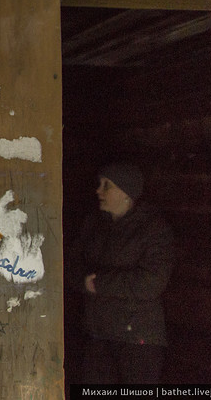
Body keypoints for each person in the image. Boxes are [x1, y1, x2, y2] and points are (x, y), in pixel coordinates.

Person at [73, 163, 173, 384]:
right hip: (98, 333)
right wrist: (82, 281)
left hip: (138, 339)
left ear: (127, 193)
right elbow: (72, 264)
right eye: (99, 184)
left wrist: (99, 283)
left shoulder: (152, 229)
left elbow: (151, 282)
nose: (98, 191)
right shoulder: (94, 225)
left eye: (107, 185)